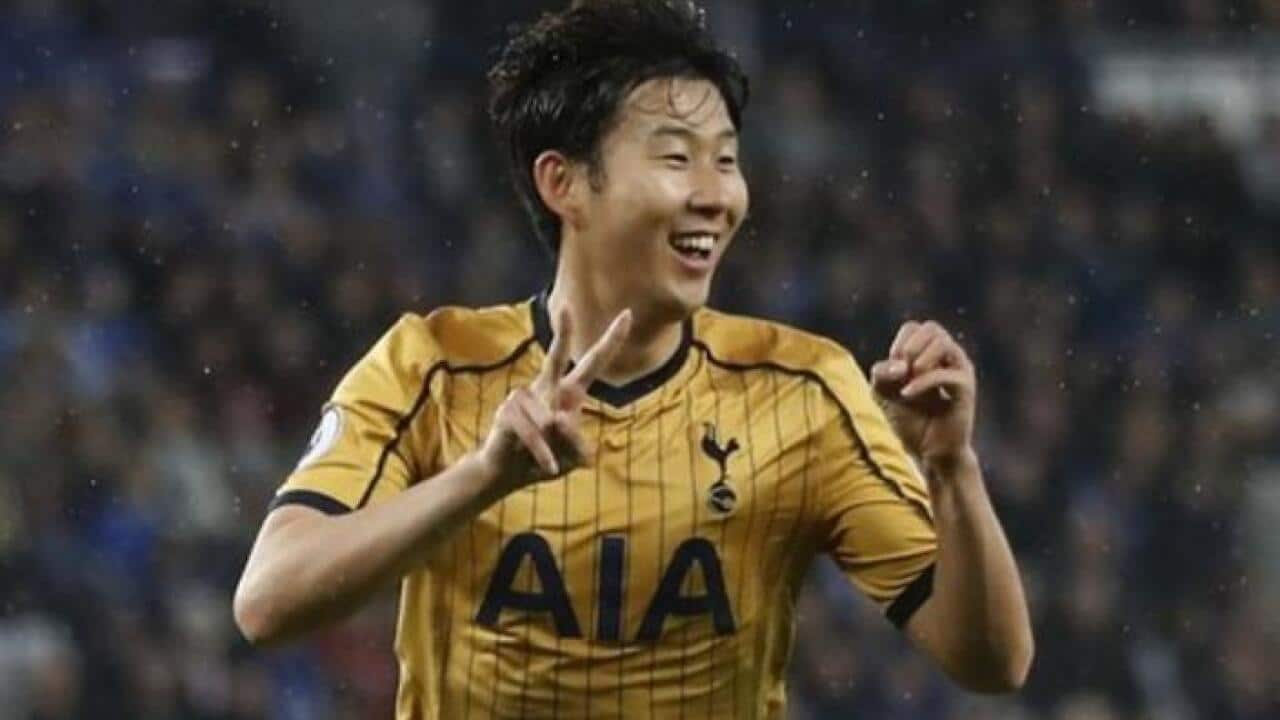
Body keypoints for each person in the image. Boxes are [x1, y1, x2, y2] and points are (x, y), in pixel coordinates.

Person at [233, 1, 1034, 717]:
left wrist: (951, 469)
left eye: (725, 159)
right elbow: (268, 601)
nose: (716, 194)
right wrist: (484, 477)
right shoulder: (432, 369)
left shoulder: (806, 392)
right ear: (565, 183)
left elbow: (992, 662)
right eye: (677, 158)